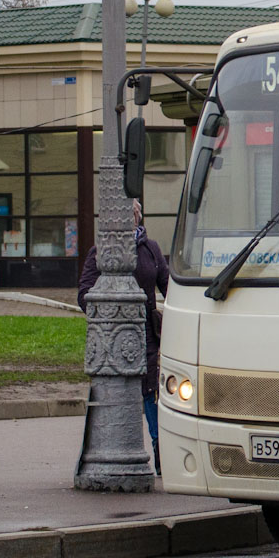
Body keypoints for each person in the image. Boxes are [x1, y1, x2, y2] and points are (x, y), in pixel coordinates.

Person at [78, 200, 169, 474]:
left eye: (131, 215)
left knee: (152, 393)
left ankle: (160, 450)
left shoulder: (151, 249)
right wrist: (112, 310)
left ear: (138, 218)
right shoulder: (100, 252)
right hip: (116, 340)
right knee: (122, 391)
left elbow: (168, 285)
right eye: (119, 215)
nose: (126, 220)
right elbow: (84, 295)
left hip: (149, 335)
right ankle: (115, 452)